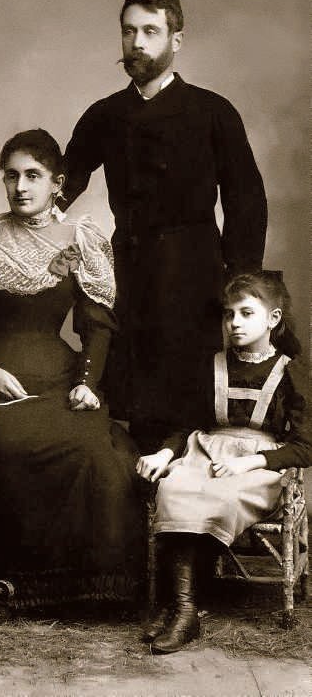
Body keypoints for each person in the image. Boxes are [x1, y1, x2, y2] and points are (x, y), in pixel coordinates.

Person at [0, 129, 145, 608]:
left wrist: (88, 384)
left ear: (58, 183)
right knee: (7, 441)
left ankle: (78, 586)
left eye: (33, 175)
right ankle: (3, 581)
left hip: (59, 377)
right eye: (11, 176)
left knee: (97, 451)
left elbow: (97, 327)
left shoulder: (82, 237)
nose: (20, 187)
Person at [61, 0, 268, 448]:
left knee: (189, 397)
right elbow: (65, 183)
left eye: (150, 31)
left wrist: (240, 282)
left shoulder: (213, 112)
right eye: (129, 31)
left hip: (193, 274)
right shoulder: (105, 115)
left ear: (177, 40)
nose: (137, 43)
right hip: (127, 272)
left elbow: (246, 201)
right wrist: (31, 238)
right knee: (129, 398)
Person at [136, 271, 311, 654]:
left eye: (246, 313)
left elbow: (305, 447)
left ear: (273, 318)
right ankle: (184, 608)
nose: (235, 323)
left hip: (260, 465)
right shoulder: (212, 364)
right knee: (174, 486)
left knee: (220, 497)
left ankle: (184, 608)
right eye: (229, 314)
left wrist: (253, 463)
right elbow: (186, 424)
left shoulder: (291, 371)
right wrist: (165, 453)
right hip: (206, 451)